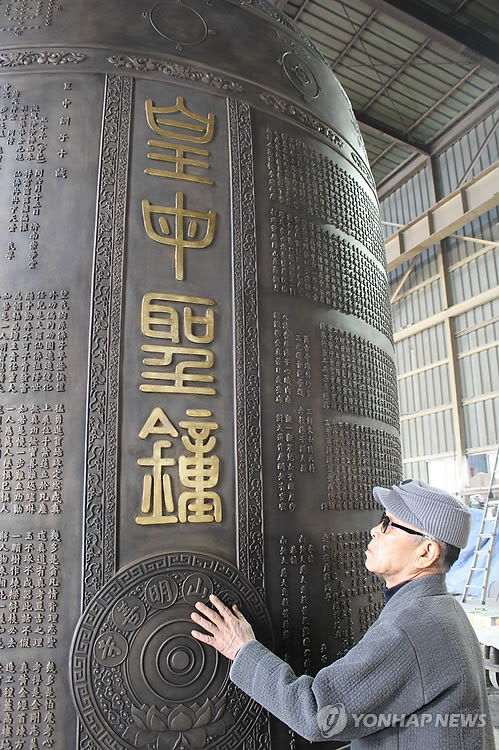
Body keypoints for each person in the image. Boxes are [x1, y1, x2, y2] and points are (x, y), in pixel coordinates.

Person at [191, 479, 494, 749]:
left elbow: (320, 715)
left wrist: (242, 650)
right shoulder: (442, 609)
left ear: (426, 553)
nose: (375, 530)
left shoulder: (412, 628)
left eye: (389, 524)